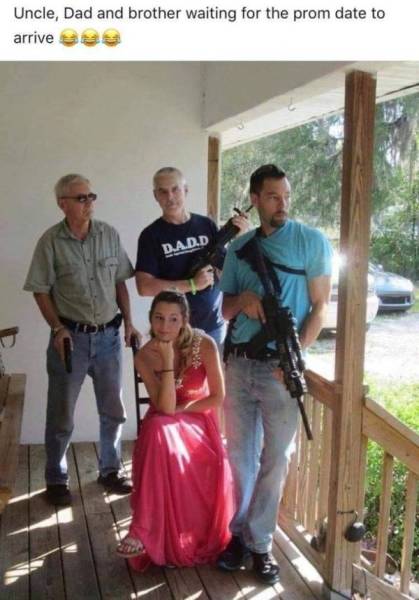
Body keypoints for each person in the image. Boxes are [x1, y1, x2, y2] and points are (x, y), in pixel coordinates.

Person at [217, 164, 332, 584]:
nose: (282, 204)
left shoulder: (311, 242)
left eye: (286, 195)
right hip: (239, 363)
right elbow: (224, 309)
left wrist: (294, 357)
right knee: (240, 458)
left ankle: (261, 543)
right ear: (254, 198)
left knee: (275, 459)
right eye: (272, 197)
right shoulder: (239, 248)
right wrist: (244, 298)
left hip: (279, 369)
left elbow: (320, 307)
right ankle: (239, 535)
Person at [24, 174, 141, 507]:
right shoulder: (50, 242)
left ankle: (110, 470)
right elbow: (40, 289)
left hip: (108, 337)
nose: (88, 203)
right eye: (80, 198)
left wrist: (129, 322)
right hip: (70, 340)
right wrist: (57, 328)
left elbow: (120, 282)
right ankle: (56, 479)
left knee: (113, 410)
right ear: (62, 203)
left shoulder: (109, 234)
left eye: (91, 196)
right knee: (61, 414)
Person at [116, 290, 234, 569]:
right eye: (158, 318)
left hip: (198, 419)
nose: (164, 326)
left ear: (184, 320)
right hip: (164, 420)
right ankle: (145, 530)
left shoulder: (204, 344)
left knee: (158, 428)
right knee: (158, 428)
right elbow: (166, 407)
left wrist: (183, 409)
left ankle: (142, 529)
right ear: (150, 319)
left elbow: (217, 397)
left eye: (172, 319)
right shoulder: (144, 356)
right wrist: (168, 362)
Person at [135, 167, 248, 347]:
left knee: (214, 376)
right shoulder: (151, 236)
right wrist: (191, 284)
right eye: (163, 191)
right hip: (174, 331)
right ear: (155, 196)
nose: (170, 197)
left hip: (214, 326)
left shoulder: (206, 225)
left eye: (175, 189)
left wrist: (241, 238)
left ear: (186, 190)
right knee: (177, 376)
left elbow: (229, 269)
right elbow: (144, 287)